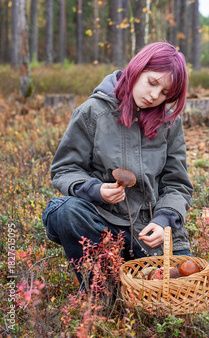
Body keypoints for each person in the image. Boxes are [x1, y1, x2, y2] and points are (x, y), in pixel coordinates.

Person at [42, 42, 194, 284]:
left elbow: (178, 185)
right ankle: (101, 291)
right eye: (152, 82)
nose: (154, 96)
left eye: (165, 93)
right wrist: (95, 190)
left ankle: (131, 281)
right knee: (64, 211)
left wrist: (163, 220)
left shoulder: (169, 124)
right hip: (100, 222)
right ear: (137, 69)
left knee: (186, 281)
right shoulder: (92, 112)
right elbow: (65, 169)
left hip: (148, 230)